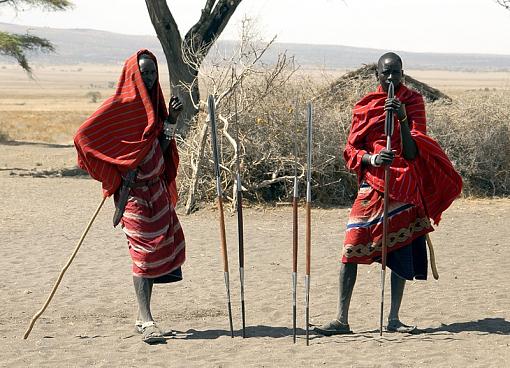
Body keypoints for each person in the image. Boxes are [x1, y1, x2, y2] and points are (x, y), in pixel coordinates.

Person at [315, 52, 462, 335]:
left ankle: (393, 319)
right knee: (351, 247)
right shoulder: (366, 106)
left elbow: (412, 151)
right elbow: (350, 150)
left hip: (404, 184)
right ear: (377, 76)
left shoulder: (413, 101)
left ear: (403, 73)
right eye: (387, 73)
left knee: (400, 248)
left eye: (397, 72)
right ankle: (341, 320)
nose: (392, 78)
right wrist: (372, 159)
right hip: (372, 183)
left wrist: (402, 120)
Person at [74, 50, 186, 344]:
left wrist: (171, 120)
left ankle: (143, 317)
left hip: (157, 192)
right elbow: (82, 138)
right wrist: (116, 175)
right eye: (144, 72)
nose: (148, 77)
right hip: (133, 195)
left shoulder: (157, 109)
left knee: (161, 247)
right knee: (143, 253)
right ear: (132, 75)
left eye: (152, 72)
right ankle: (146, 319)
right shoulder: (118, 108)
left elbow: (160, 149)